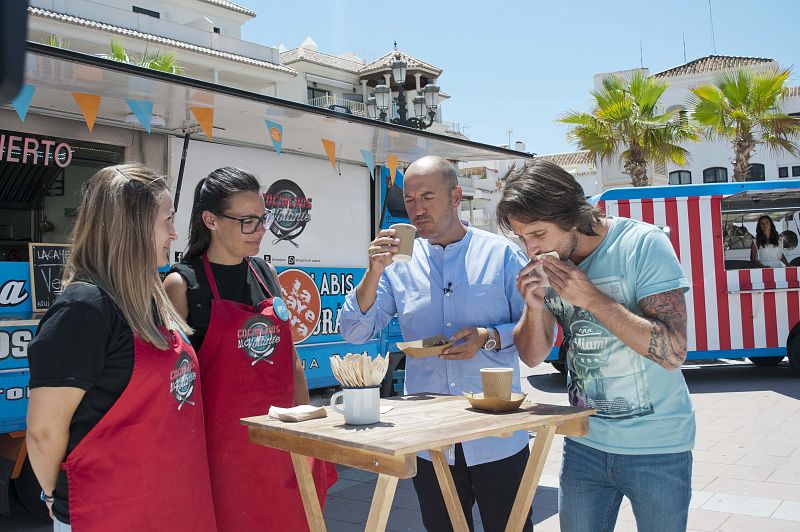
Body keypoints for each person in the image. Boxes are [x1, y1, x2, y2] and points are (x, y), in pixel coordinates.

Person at [497, 160, 695, 532]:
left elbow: (673, 352)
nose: (531, 248)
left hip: (658, 448)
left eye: (537, 234)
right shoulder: (546, 265)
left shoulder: (642, 244)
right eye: (523, 237)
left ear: (571, 215)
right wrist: (533, 305)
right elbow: (532, 355)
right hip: (585, 444)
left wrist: (592, 299)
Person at [340, 155, 533, 532]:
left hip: (496, 433)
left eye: (427, 196)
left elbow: (534, 326)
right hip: (432, 443)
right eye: (410, 198)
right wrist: (373, 269)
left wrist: (488, 337)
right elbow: (355, 331)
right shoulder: (399, 263)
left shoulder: (501, 254)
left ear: (456, 195)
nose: (417, 208)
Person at [26, 164, 216, 531]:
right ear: (132, 225)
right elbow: (44, 431)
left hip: (173, 507)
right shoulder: (84, 309)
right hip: (109, 513)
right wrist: (55, 496)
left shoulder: (150, 300)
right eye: (167, 220)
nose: (174, 233)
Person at [163, 167, 335, 532]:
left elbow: (292, 362)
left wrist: (306, 425)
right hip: (222, 458)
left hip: (282, 445)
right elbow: (170, 385)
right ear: (209, 219)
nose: (260, 231)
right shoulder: (182, 285)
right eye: (247, 221)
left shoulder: (264, 273)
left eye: (262, 219)